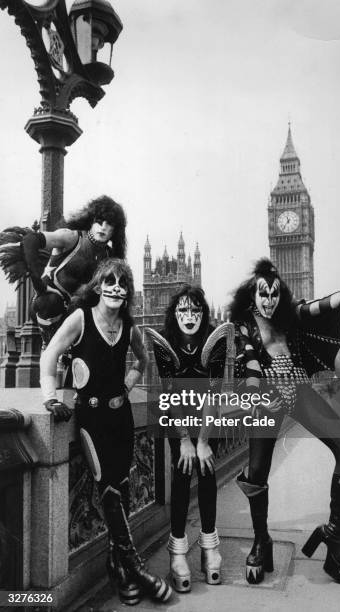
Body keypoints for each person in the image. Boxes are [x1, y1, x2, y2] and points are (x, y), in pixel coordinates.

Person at [230, 258, 340, 586]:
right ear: (252, 296)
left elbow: (321, 306)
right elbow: (249, 360)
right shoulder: (245, 325)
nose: (268, 301)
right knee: (256, 472)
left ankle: (333, 538)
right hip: (267, 398)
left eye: (273, 294)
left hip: (299, 389)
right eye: (262, 295)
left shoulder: (291, 316)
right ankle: (261, 542)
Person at [39, 258, 171, 605]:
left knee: (123, 489)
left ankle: (117, 569)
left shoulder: (130, 327)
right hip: (92, 419)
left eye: (122, 283)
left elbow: (143, 361)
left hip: (122, 416)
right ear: (98, 286)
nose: (115, 287)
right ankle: (136, 567)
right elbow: (50, 354)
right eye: (109, 281)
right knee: (110, 491)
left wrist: (128, 385)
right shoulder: (81, 319)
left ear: (128, 291)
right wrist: (51, 398)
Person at [151, 286, 226, 593]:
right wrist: (185, 440)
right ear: (174, 313)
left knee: (207, 475)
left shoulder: (216, 339)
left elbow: (213, 391)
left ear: (203, 313)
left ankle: (210, 547)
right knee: (182, 476)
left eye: (196, 310)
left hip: (208, 418)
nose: (190, 316)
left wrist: (203, 441)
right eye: (183, 310)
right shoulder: (164, 341)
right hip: (177, 416)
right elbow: (169, 392)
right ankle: (177, 552)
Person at [0, 195, 127, 347]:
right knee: (52, 302)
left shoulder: (109, 256)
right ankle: (51, 347)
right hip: (47, 303)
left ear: (116, 230)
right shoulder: (71, 237)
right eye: (99, 221)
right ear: (91, 220)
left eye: (109, 224)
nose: (103, 227)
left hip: (77, 310)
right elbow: (30, 241)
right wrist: (38, 283)